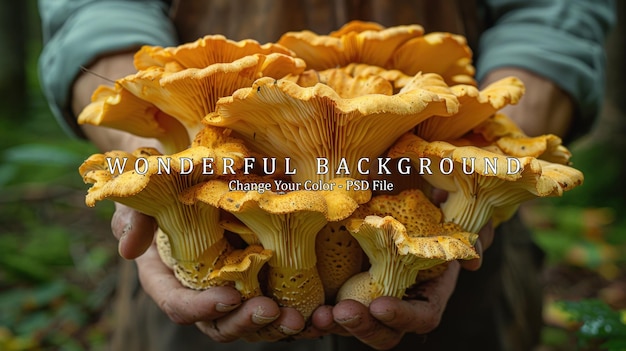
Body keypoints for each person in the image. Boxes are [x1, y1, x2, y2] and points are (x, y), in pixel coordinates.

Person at [38, 1, 615, 350]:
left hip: (452, 271)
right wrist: (151, 165)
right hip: (219, 246)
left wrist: (486, 148)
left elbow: (554, 13)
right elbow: (92, 8)